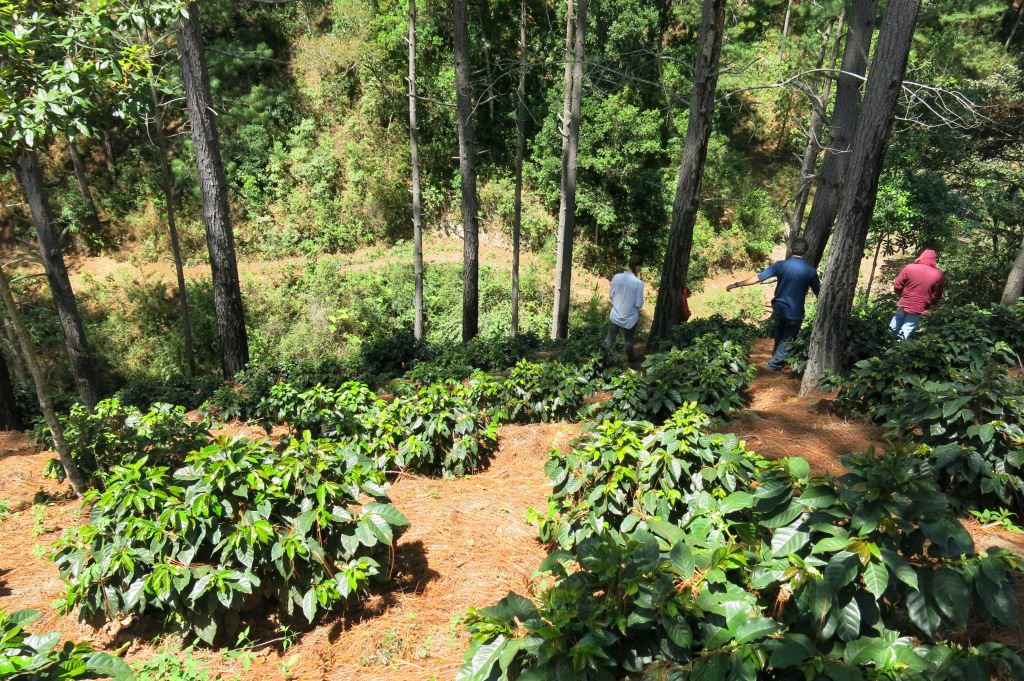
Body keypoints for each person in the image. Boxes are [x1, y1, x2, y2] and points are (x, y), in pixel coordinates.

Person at [726, 237, 820, 371]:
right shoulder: (810, 271)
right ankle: (774, 363)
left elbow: (758, 278)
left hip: (779, 308)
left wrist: (736, 284)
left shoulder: (780, 265)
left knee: (779, 333)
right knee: (787, 338)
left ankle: (776, 359)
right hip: (795, 312)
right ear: (806, 251)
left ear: (791, 249)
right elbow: (819, 293)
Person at [890, 249, 943, 341]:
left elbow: (897, 285)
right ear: (934, 259)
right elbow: (937, 294)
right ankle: (898, 346)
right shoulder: (938, 274)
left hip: (905, 301)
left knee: (897, 318)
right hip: (920, 306)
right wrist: (929, 303)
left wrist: (902, 295)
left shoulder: (909, 268)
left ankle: (886, 339)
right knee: (908, 325)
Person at [604, 254, 644, 362]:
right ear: (637, 267)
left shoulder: (617, 277)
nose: (640, 269)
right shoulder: (639, 283)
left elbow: (611, 295)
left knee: (609, 339)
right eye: (640, 267)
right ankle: (631, 360)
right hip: (630, 318)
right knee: (628, 341)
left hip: (615, 315)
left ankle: (600, 359)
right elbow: (639, 304)